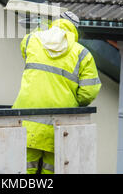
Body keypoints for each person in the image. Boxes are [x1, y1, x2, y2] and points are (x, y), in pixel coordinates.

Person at [12, 11, 101, 174]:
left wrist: (41, 26)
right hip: (59, 124)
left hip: (26, 122)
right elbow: (89, 91)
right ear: (75, 30)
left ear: (56, 22)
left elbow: (25, 52)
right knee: (52, 170)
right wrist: (71, 102)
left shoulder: (33, 39)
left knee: (22, 170)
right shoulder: (82, 54)